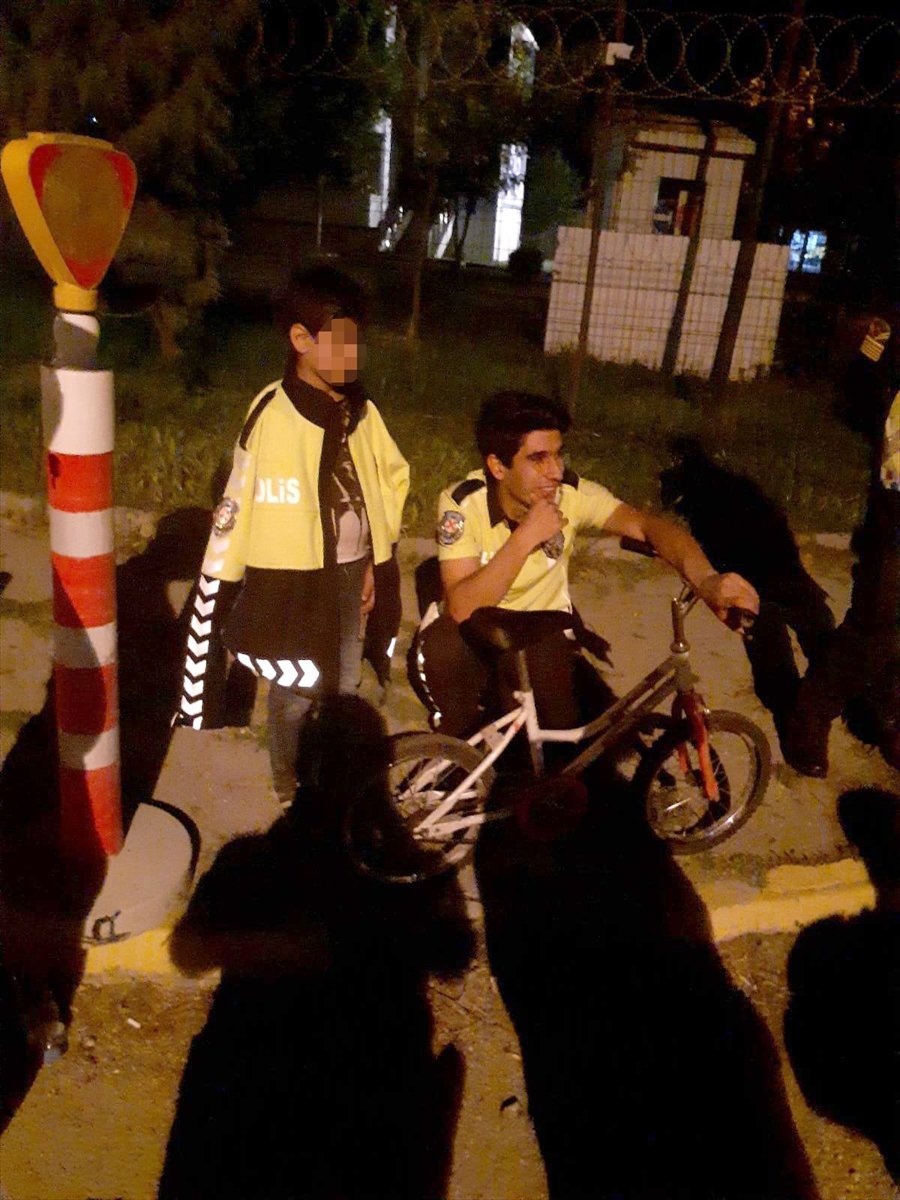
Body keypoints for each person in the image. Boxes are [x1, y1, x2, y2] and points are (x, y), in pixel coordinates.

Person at [173, 265, 409, 808]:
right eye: (342, 342)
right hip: (295, 584)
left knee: (344, 683)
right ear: (301, 339)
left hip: (350, 574)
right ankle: (289, 786)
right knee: (297, 688)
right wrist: (222, 583)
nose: (354, 356)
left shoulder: (362, 412)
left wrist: (377, 557)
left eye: (359, 342)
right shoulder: (271, 416)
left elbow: (392, 478)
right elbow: (236, 506)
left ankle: (332, 782)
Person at [410, 391, 759, 738]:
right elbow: (462, 606)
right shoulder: (463, 504)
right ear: (498, 466)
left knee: (564, 748)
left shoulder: (571, 495)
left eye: (558, 455)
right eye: (538, 459)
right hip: (472, 635)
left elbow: (648, 526)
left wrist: (707, 580)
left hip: (539, 636)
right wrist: (526, 537)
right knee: (460, 721)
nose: (555, 472)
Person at [782, 318, 899, 776]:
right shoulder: (890, 346)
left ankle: (890, 713)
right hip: (893, 528)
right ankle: (809, 717)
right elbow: (856, 401)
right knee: (871, 632)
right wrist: (871, 346)